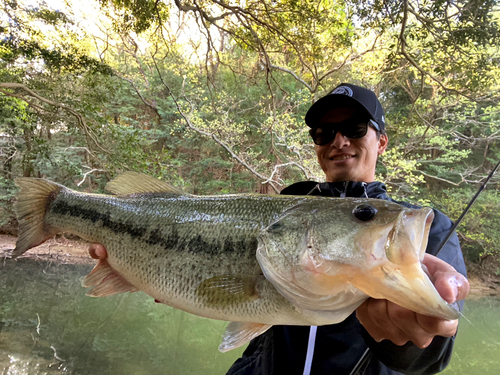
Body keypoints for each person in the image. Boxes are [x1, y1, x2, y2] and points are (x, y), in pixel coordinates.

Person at [89, 83, 469, 375]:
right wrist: (148, 273)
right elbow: (226, 294)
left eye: (354, 128)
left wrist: (409, 338)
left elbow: (428, 356)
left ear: (381, 141)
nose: (339, 141)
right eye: (324, 133)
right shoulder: (283, 209)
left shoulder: (425, 228)